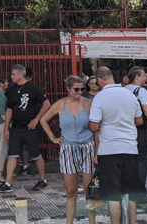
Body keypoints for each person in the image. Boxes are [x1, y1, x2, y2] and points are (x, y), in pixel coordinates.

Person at [88, 66, 144, 224]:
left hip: (109, 151)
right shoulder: (129, 94)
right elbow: (139, 121)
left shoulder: (100, 97)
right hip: (130, 149)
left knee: (113, 194)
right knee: (131, 192)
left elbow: (93, 127)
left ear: (99, 80)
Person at [39, 76, 97, 224]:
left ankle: (92, 222)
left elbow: (96, 129)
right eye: (76, 89)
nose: (80, 92)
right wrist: (53, 138)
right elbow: (43, 120)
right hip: (68, 148)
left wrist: (97, 152)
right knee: (71, 191)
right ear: (68, 89)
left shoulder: (88, 103)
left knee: (89, 190)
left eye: (82, 89)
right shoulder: (60, 104)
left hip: (87, 147)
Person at [0, 64, 51, 192]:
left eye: (13, 74)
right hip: (15, 128)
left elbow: (46, 103)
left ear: (20, 74)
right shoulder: (12, 89)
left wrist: (36, 119)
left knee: (36, 154)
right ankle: (8, 183)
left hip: (30, 129)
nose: (11, 77)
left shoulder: (32, 88)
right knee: (12, 155)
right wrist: (6, 128)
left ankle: (43, 180)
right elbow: (9, 109)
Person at [125, 66, 147, 192]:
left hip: (127, 129)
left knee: (130, 159)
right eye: (144, 75)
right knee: (142, 160)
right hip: (141, 129)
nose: (146, 78)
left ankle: (129, 188)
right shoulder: (141, 91)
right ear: (137, 77)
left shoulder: (124, 90)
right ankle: (140, 190)